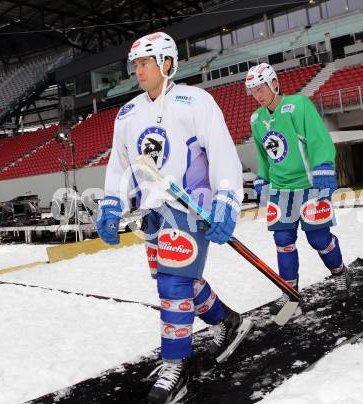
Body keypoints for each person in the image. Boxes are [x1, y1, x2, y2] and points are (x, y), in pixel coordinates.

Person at [96, 32, 252, 404]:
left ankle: (176, 367)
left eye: (145, 62)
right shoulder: (128, 113)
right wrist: (110, 205)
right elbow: (119, 166)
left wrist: (227, 200)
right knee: (179, 280)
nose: (138, 70)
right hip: (152, 214)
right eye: (135, 64)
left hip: (190, 207)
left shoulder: (196, 101)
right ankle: (229, 322)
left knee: (173, 286)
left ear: (167, 63)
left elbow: (222, 153)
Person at [245, 63, 351, 315]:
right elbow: (265, 154)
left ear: (273, 83)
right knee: (283, 241)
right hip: (281, 190)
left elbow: (317, 137)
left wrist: (324, 165)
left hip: (309, 186)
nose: (257, 95)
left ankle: (340, 272)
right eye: (253, 91)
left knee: (319, 239)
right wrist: (263, 177)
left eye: (260, 88)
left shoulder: (298, 105)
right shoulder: (257, 119)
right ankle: (290, 293)